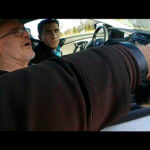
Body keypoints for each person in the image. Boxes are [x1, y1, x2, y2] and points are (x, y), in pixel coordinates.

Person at [0, 19, 150, 131]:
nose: (26, 34)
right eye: (16, 31)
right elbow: (57, 94)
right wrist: (135, 59)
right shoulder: (6, 92)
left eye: (24, 29)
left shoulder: (31, 69)